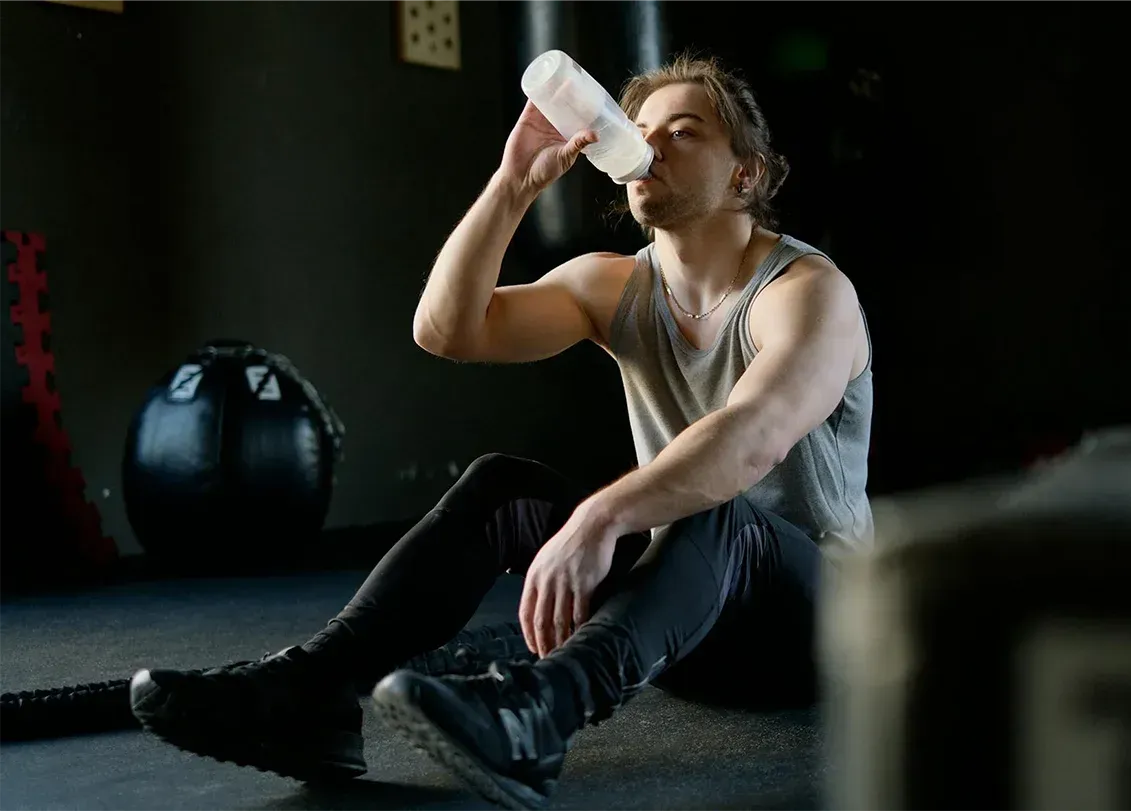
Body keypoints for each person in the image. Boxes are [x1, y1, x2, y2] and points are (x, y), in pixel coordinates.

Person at [129, 53, 873, 810]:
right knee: (502, 486)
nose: (651, 148)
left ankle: (538, 714)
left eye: (683, 134)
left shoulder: (807, 292)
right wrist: (513, 183)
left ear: (745, 174)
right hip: (685, 627)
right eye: (639, 131)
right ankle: (310, 693)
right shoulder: (614, 283)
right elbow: (447, 328)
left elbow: (752, 439)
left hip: (829, 638)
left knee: (716, 506)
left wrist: (600, 515)